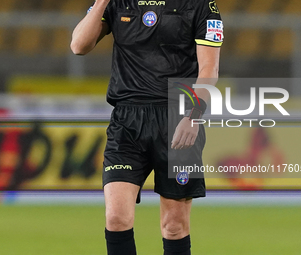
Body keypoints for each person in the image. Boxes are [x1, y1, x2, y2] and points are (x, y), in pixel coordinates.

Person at [71, 0, 223, 254]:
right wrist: (100, 3)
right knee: (116, 218)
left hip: (177, 118)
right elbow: (78, 46)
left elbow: (210, 68)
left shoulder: (201, 5)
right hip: (126, 122)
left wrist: (194, 114)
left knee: (174, 225)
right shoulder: (117, 3)